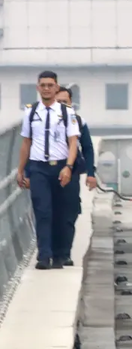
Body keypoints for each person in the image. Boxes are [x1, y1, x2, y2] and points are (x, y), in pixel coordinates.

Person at [17, 70, 80, 270]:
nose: (46, 89)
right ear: (38, 88)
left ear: (56, 87)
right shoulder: (31, 112)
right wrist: (21, 171)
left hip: (60, 166)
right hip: (38, 169)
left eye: (50, 85)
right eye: (42, 85)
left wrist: (69, 167)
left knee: (61, 213)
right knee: (42, 211)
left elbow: (73, 142)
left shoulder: (66, 112)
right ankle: (44, 255)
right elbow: (26, 143)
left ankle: (61, 255)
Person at [55, 86, 97, 266]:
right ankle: (50, 252)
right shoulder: (41, 122)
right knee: (49, 213)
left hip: (70, 175)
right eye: (59, 102)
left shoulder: (79, 122)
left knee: (70, 213)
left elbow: (87, 148)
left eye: (65, 102)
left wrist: (90, 173)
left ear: (71, 104)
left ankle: (65, 253)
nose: (63, 106)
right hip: (47, 173)